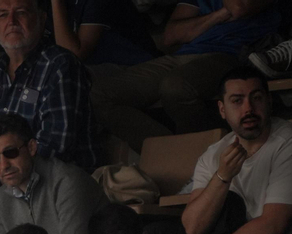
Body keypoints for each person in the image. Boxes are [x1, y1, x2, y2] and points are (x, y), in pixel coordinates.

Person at [92, 0, 282, 155]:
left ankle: (193, 159)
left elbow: (238, 7)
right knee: (98, 94)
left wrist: (204, 22)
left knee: (176, 86)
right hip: (181, 57)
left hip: (231, 55)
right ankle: (175, 155)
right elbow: (171, 36)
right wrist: (219, 15)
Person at [181, 68, 292, 234]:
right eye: (237, 101)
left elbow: (274, 224)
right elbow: (192, 228)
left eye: (256, 98)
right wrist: (223, 176)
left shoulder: (287, 142)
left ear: (269, 101)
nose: (248, 109)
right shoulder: (213, 154)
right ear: (222, 109)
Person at [0, 0, 96, 186]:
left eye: (21, 12)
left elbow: (56, 146)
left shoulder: (60, 65)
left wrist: (5, 192)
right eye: (3, 15)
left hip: (54, 188)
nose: (12, 21)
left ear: (42, 19)